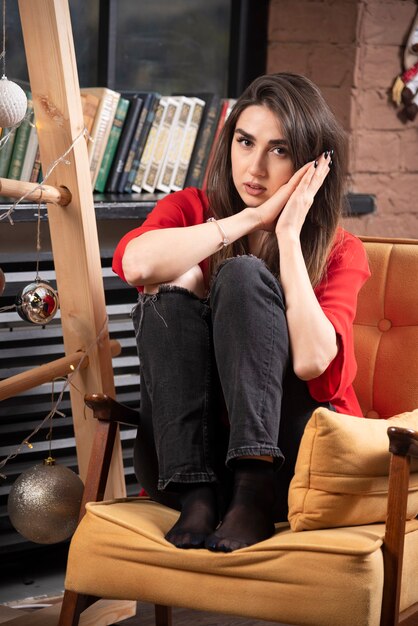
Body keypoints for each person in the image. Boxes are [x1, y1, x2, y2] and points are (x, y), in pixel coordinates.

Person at [112, 72, 371, 553]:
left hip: (292, 467)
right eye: (245, 141)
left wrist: (288, 238)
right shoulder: (190, 208)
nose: (254, 166)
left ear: (311, 163)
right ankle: (197, 496)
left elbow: (315, 363)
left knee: (242, 276)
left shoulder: (339, 251)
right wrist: (250, 219)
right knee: (176, 275)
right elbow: (137, 262)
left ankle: (253, 486)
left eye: (279, 149)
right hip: (183, 463)